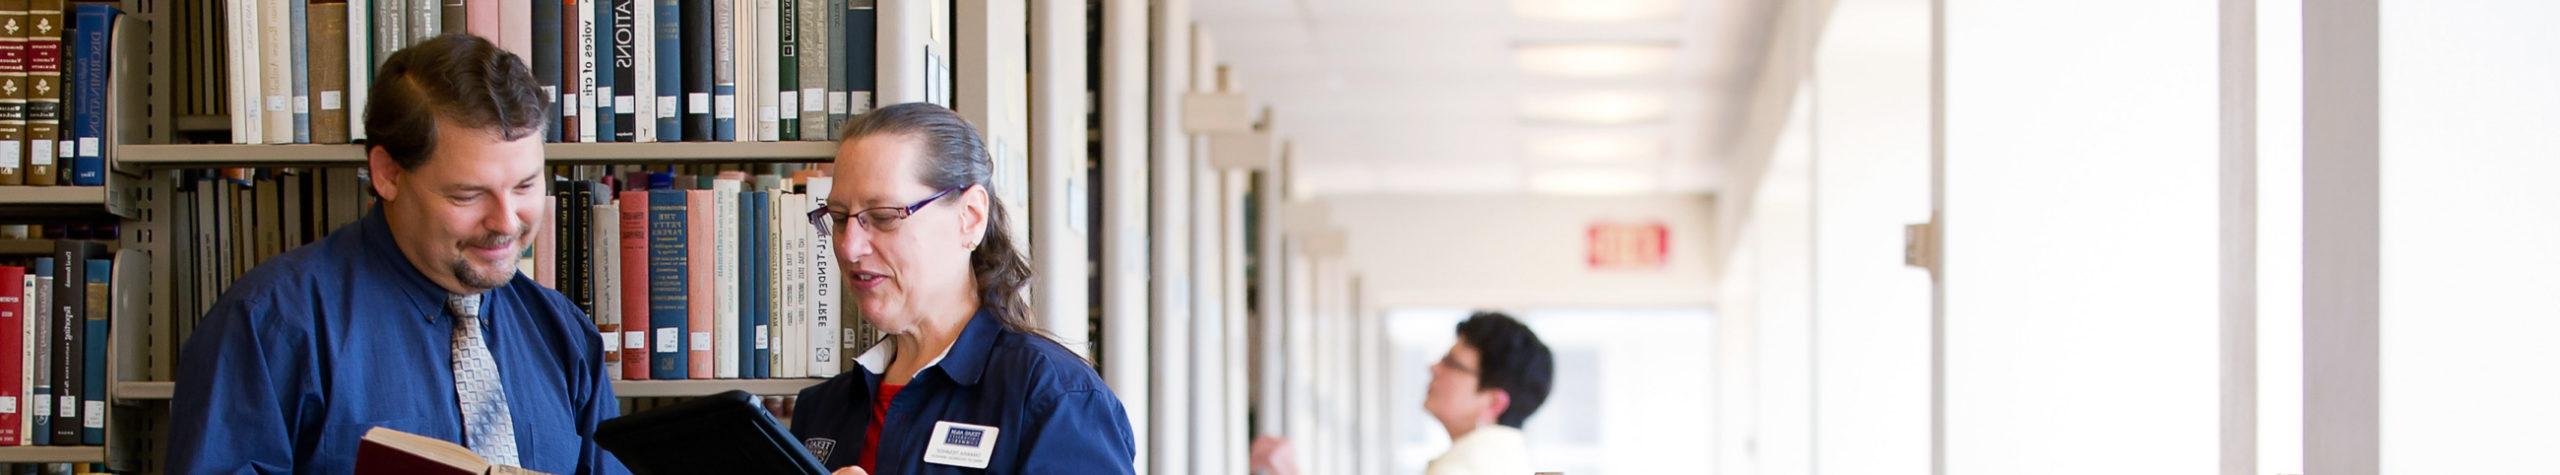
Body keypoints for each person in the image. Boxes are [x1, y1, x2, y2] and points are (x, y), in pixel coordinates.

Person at [167, 34, 626, 474]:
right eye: (468, 195)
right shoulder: (273, 325)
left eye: (525, 186)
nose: (506, 222)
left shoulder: (564, 335)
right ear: (387, 174)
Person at [790, 103, 1137, 474]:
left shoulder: (1054, 397)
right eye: (840, 219)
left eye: (884, 217)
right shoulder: (822, 409)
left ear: (970, 217)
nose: (849, 246)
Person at [1250, 311, 1556, 475]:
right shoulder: (1502, 461)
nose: (1434, 367)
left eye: (1453, 364)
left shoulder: (1464, 470)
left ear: (1495, 401)